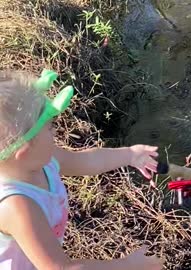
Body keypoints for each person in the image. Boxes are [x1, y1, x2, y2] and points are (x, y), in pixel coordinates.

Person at [0, 70, 164, 269]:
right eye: (50, 127)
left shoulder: (43, 161)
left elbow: (88, 160)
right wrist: (129, 265)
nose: (56, 131)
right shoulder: (17, 207)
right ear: (25, 151)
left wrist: (130, 155)